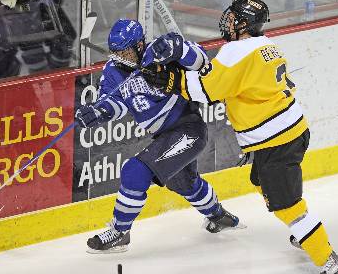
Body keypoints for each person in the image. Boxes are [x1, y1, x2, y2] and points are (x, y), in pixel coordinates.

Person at [146, 0, 338, 274]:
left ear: (242, 23)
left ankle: (332, 263)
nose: (226, 22)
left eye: (232, 18)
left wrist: (170, 80)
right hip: (293, 130)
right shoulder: (267, 46)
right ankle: (305, 231)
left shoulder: (235, 51)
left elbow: (206, 90)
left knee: (287, 206)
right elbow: (244, 86)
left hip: (277, 141)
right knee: (261, 179)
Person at [74, 19, 243, 254]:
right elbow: (114, 103)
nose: (123, 57)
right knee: (183, 182)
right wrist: (98, 112)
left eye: (127, 51)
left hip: (189, 129)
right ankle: (218, 216)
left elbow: (203, 62)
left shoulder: (160, 51)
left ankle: (119, 232)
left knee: (135, 171)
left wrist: (181, 48)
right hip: (165, 135)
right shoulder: (113, 71)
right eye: (117, 52)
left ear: (140, 44)